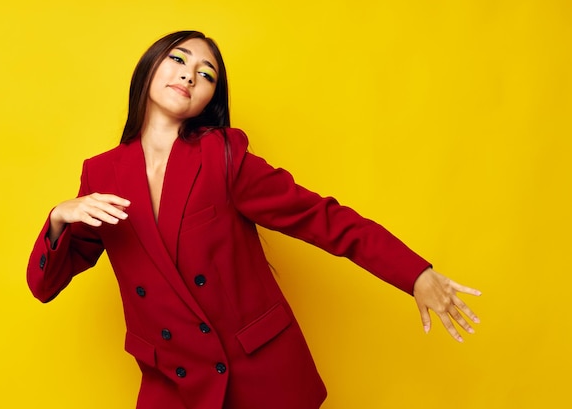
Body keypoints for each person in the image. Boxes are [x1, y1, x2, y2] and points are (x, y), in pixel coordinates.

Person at [27, 30, 481, 409]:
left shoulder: (223, 155)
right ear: (150, 66)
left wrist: (415, 274)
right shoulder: (101, 173)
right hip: (172, 385)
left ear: (209, 99)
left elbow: (322, 219)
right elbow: (44, 288)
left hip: (255, 378)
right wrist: (57, 219)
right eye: (179, 59)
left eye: (206, 75)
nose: (190, 73)